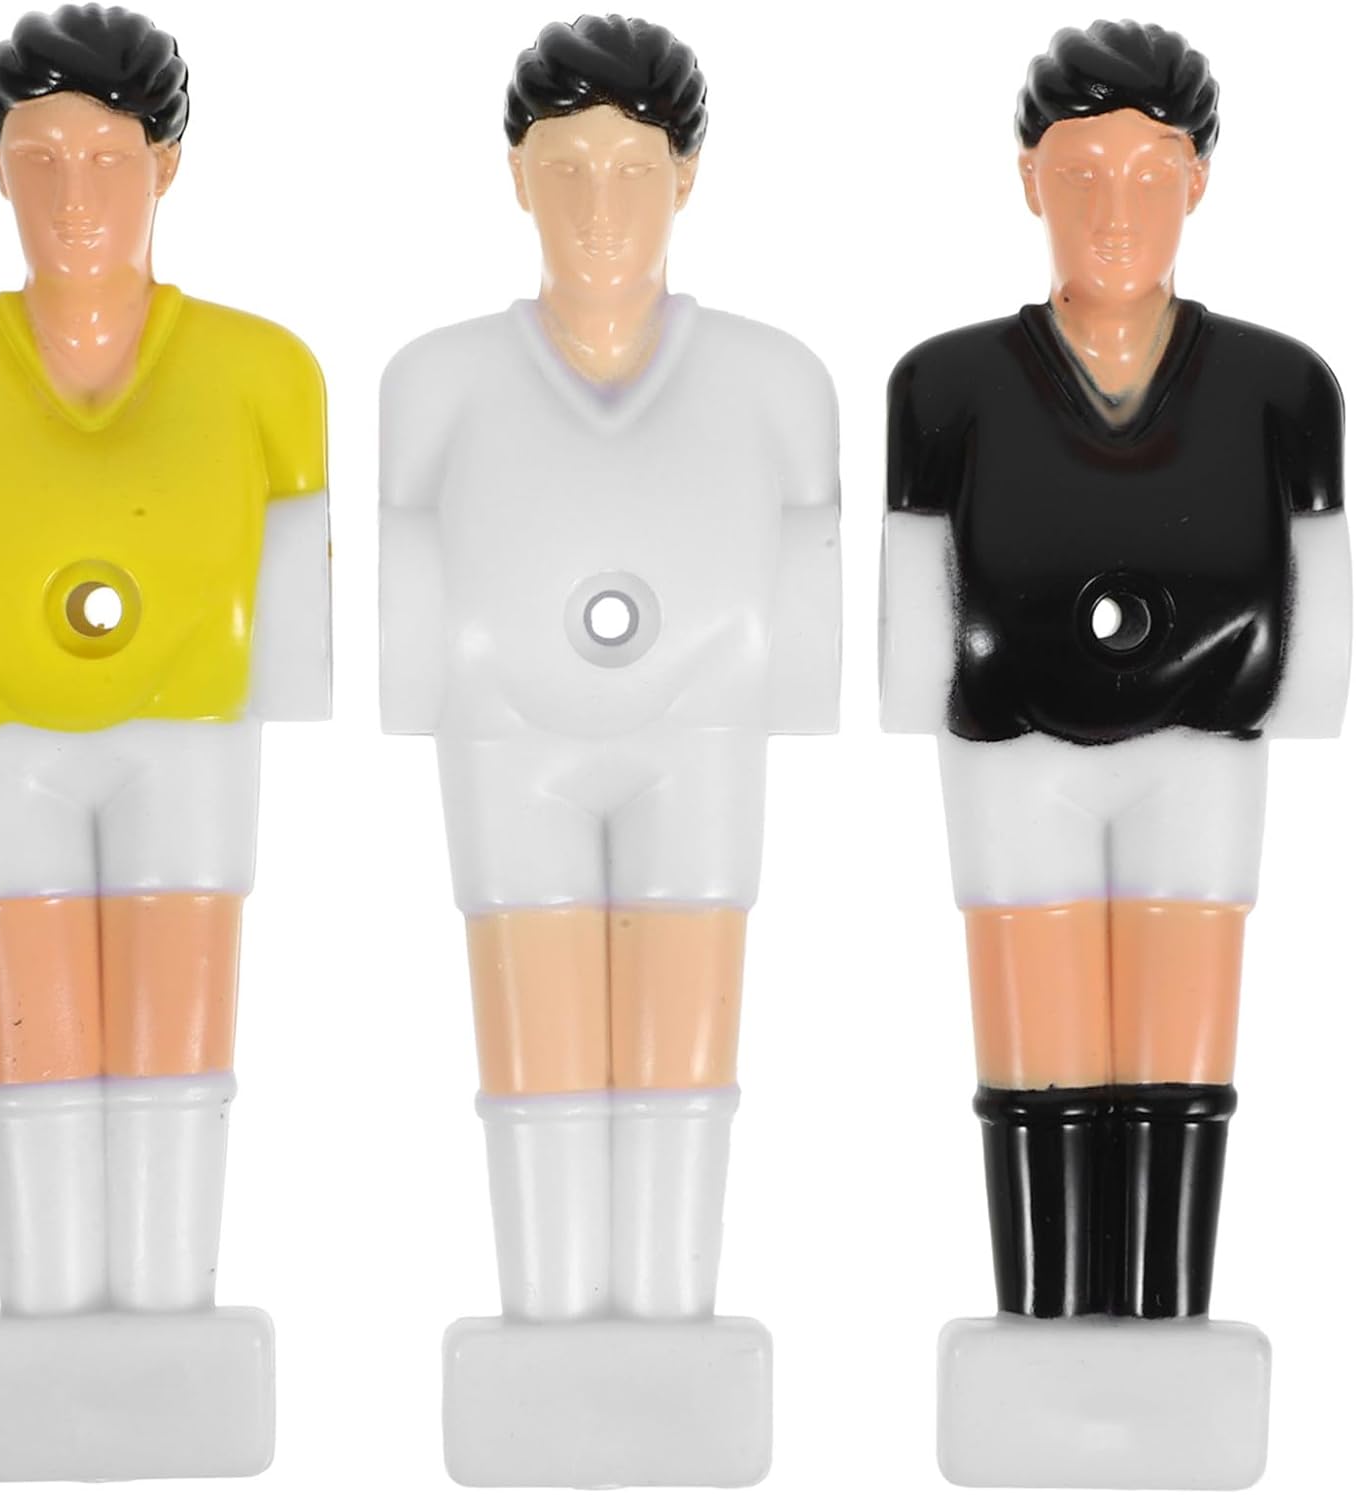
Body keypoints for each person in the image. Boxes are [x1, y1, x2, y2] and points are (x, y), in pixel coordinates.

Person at [0, 4, 328, 1479]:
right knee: (32, 1035)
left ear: (167, 166)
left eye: (108, 157)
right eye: (38, 157)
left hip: (193, 732)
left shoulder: (264, 373)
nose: (74, 195)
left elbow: (299, 611)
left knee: (179, 1034)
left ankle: (175, 1316)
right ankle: (44, 1316)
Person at [882, 19, 1347, 1486]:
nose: (1114, 209)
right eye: (1080, 172)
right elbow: (910, 623)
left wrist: (1280, 689)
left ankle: (1163, 1324)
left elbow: (1323, 635)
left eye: (1149, 174)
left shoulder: (1285, 388)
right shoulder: (945, 386)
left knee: (1174, 1047)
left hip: (1204, 749)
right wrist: (934, 687)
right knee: (1037, 1054)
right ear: (1028, 180)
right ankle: (1039, 1325)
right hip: (1010, 750)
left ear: (1199, 184)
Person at [380, 14, 839, 1485]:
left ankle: (672, 1326)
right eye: (564, 169)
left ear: (686, 179)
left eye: (631, 169)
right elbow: (404, 608)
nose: (598, 208)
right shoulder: (436, 384)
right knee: (539, 1062)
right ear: (515, 177)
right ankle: (546, 1326)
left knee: (680, 1056)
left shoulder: (776, 384)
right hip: (506, 746)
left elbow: (811, 608)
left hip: (700, 744)